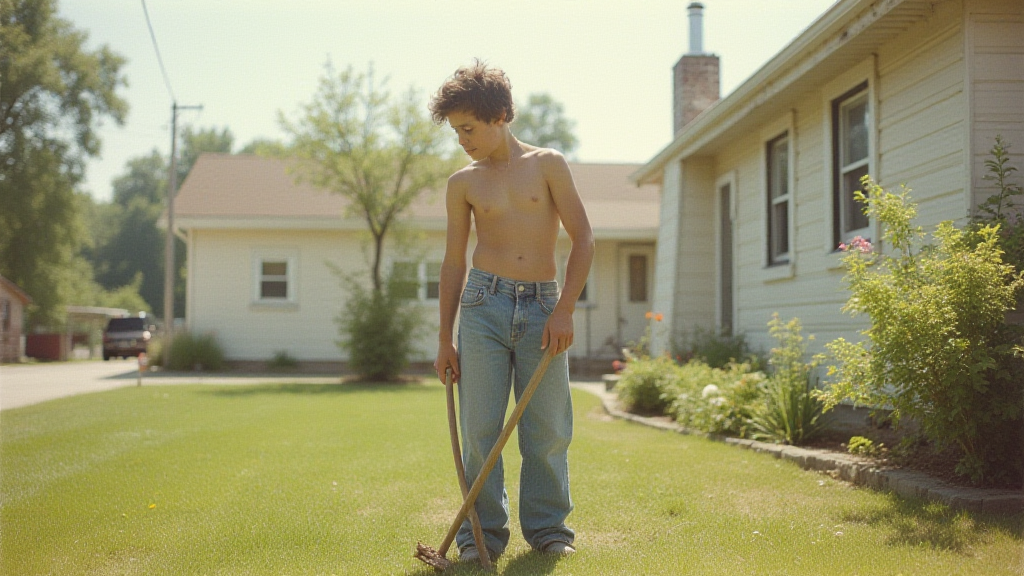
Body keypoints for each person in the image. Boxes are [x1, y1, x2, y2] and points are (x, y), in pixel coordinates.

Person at [429, 60, 594, 563]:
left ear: (499, 115)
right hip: (483, 306)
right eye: (456, 132)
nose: (462, 140)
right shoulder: (462, 183)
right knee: (481, 430)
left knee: (547, 428)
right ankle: (480, 539)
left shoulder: (548, 164)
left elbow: (584, 239)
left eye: (468, 129)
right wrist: (444, 338)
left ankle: (549, 531)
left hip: (543, 307)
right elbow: (453, 261)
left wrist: (564, 310)